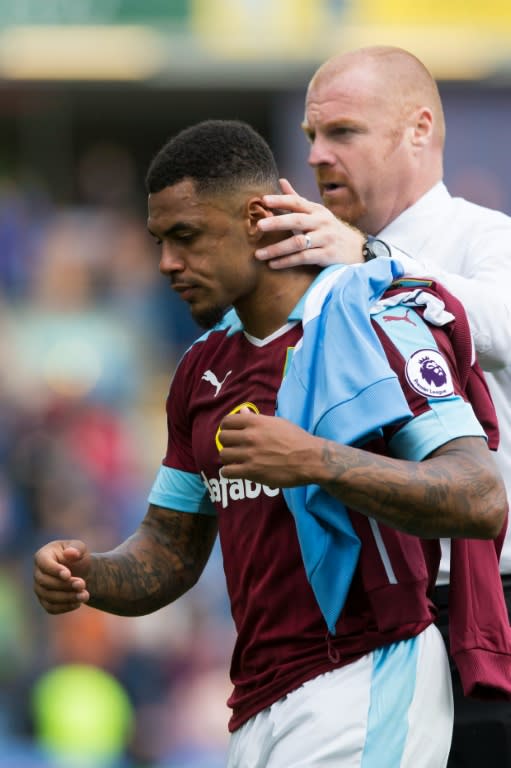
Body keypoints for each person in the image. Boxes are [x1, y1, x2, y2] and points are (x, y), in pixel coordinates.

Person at [33, 119, 509, 768]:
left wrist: (317, 461)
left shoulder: (373, 319)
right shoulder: (201, 367)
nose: (168, 263)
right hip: (259, 696)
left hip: (371, 673)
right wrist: (92, 574)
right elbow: (171, 548)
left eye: (187, 237)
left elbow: (479, 496)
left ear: (257, 217)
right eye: (160, 241)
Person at [253, 45, 511, 768]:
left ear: (418, 129)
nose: (317, 155)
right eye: (309, 136)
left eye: (342, 133)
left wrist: (369, 259)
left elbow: (498, 322)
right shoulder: (313, 266)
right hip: (353, 623)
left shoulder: (480, 236)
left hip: (483, 608)